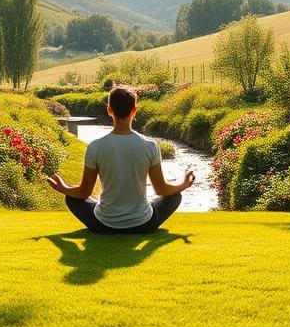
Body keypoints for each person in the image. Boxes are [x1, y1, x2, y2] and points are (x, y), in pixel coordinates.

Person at [45, 84, 195, 234]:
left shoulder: (95, 147)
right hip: (143, 224)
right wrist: (184, 184)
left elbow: (84, 193)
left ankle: (109, 211)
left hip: (103, 225)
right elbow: (161, 190)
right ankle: (136, 212)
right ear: (134, 111)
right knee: (175, 196)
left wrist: (63, 188)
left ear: (109, 110)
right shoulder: (150, 146)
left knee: (72, 198)